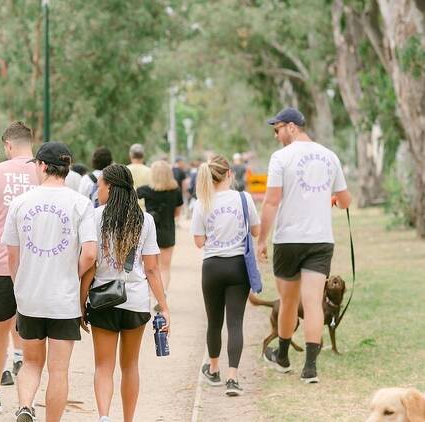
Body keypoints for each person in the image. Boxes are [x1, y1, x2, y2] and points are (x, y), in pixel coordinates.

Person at [2, 141, 97, 422]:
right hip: (63, 299)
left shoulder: (20, 203)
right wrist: (72, 272)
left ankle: (24, 405)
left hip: (30, 295)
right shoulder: (80, 204)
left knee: (31, 362)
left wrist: (20, 281)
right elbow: (90, 253)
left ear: (42, 166)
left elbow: (11, 255)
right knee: (58, 370)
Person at [258, 107, 352, 384]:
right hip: (320, 240)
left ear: (291, 127)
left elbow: (271, 201)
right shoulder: (330, 156)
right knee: (313, 303)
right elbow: (346, 200)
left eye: (277, 129)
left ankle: (284, 357)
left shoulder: (280, 158)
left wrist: (261, 239)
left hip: (288, 240)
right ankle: (310, 368)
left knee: (288, 301)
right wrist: (333, 199)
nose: (276, 136)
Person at [80, 164, 170, 422]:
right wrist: (163, 307)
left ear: (110, 187)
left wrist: (80, 301)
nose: (98, 191)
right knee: (130, 366)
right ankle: (127, 419)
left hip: (102, 300)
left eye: (100, 186)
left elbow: (90, 265)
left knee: (103, 366)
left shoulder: (96, 218)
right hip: (136, 301)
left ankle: (104, 417)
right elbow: (152, 269)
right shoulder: (145, 220)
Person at [0, 122, 39, 414]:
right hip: (36, 266)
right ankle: (28, 400)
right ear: (30, 143)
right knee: (33, 335)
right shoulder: (45, 171)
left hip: (0, 265)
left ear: (8, 145)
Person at [190, 155, 260, 396]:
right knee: (235, 322)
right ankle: (233, 377)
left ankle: (214, 368)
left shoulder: (202, 202)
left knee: (214, 321)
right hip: (238, 265)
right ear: (230, 173)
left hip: (212, 266)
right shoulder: (244, 198)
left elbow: (199, 242)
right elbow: (256, 229)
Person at [136, 160, 184, 309]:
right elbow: (177, 213)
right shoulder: (175, 191)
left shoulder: (145, 190)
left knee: (150, 266)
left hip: (149, 231)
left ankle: (151, 295)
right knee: (165, 267)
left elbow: (133, 202)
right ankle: (161, 295)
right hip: (168, 230)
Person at [127, 143, 152, 210]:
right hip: (145, 209)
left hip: (128, 207)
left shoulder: (125, 170)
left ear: (130, 155)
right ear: (143, 155)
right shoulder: (150, 171)